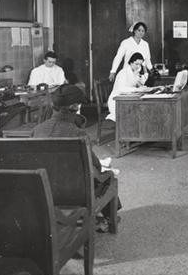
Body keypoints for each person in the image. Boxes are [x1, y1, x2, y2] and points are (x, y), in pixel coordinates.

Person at [30, 84, 122, 232]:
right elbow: (95, 167)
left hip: (44, 190)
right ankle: (107, 218)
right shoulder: (77, 133)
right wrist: (107, 172)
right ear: (74, 107)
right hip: (74, 194)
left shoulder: (37, 130)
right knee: (108, 178)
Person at [106, 52, 149, 121]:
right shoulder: (123, 73)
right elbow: (121, 89)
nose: (138, 66)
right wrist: (136, 89)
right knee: (135, 113)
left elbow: (141, 83)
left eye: (140, 64)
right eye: (136, 64)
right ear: (131, 63)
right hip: (116, 102)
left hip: (127, 100)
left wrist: (144, 70)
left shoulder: (135, 73)